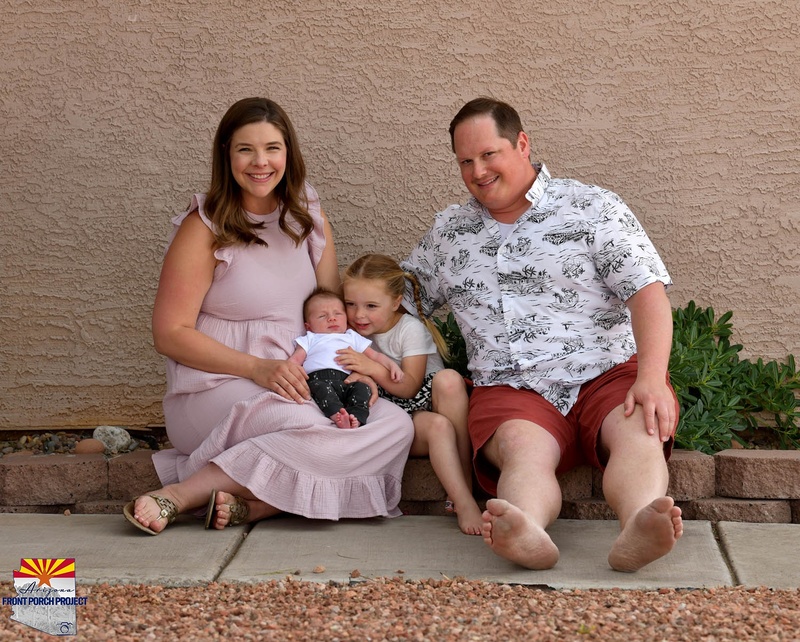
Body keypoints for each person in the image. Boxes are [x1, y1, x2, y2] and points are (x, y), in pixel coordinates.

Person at [401, 97, 683, 571]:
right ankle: (524, 529)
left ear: (522, 144)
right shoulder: (450, 233)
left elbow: (647, 294)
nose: (478, 170)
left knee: (639, 431)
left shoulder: (592, 207)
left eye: (488, 154)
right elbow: (400, 299)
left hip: (606, 375)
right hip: (512, 388)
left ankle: (640, 523)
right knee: (520, 449)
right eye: (465, 161)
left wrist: (653, 377)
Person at [124, 97, 414, 535]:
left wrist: (361, 370)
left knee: (394, 424)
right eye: (245, 149)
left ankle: (261, 506)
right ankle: (182, 495)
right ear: (226, 154)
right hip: (216, 386)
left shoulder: (308, 220)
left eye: (272, 148)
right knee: (312, 424)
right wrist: (257, 368)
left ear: (288, 154)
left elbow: (331, 316)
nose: (260, 162)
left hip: (301, 381)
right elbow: (169, 333)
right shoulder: (203, 228)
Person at [337, 253, 483, 535]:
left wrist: (372, 369)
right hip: (388, 417)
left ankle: (464, 490)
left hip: (420, 401)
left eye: (370, 305)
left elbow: (409, 387)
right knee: (438, 427)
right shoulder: (347, 332)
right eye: (350, 304)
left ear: (395, 302)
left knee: (449, 380)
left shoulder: (409, 329)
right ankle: (463, 498)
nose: (358, 315)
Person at [289, 287, 404, 428]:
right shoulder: (311, 338)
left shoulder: (351, 336)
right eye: (322, 316)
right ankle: (337, 415)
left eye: (338, 313)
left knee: (363, 388)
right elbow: (295, 360)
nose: (332, 318)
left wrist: (392, 365)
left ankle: (356, 417)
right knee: (320, 390)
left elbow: (375, 355)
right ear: (309, 326)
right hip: (319, 379)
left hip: (347, 381)